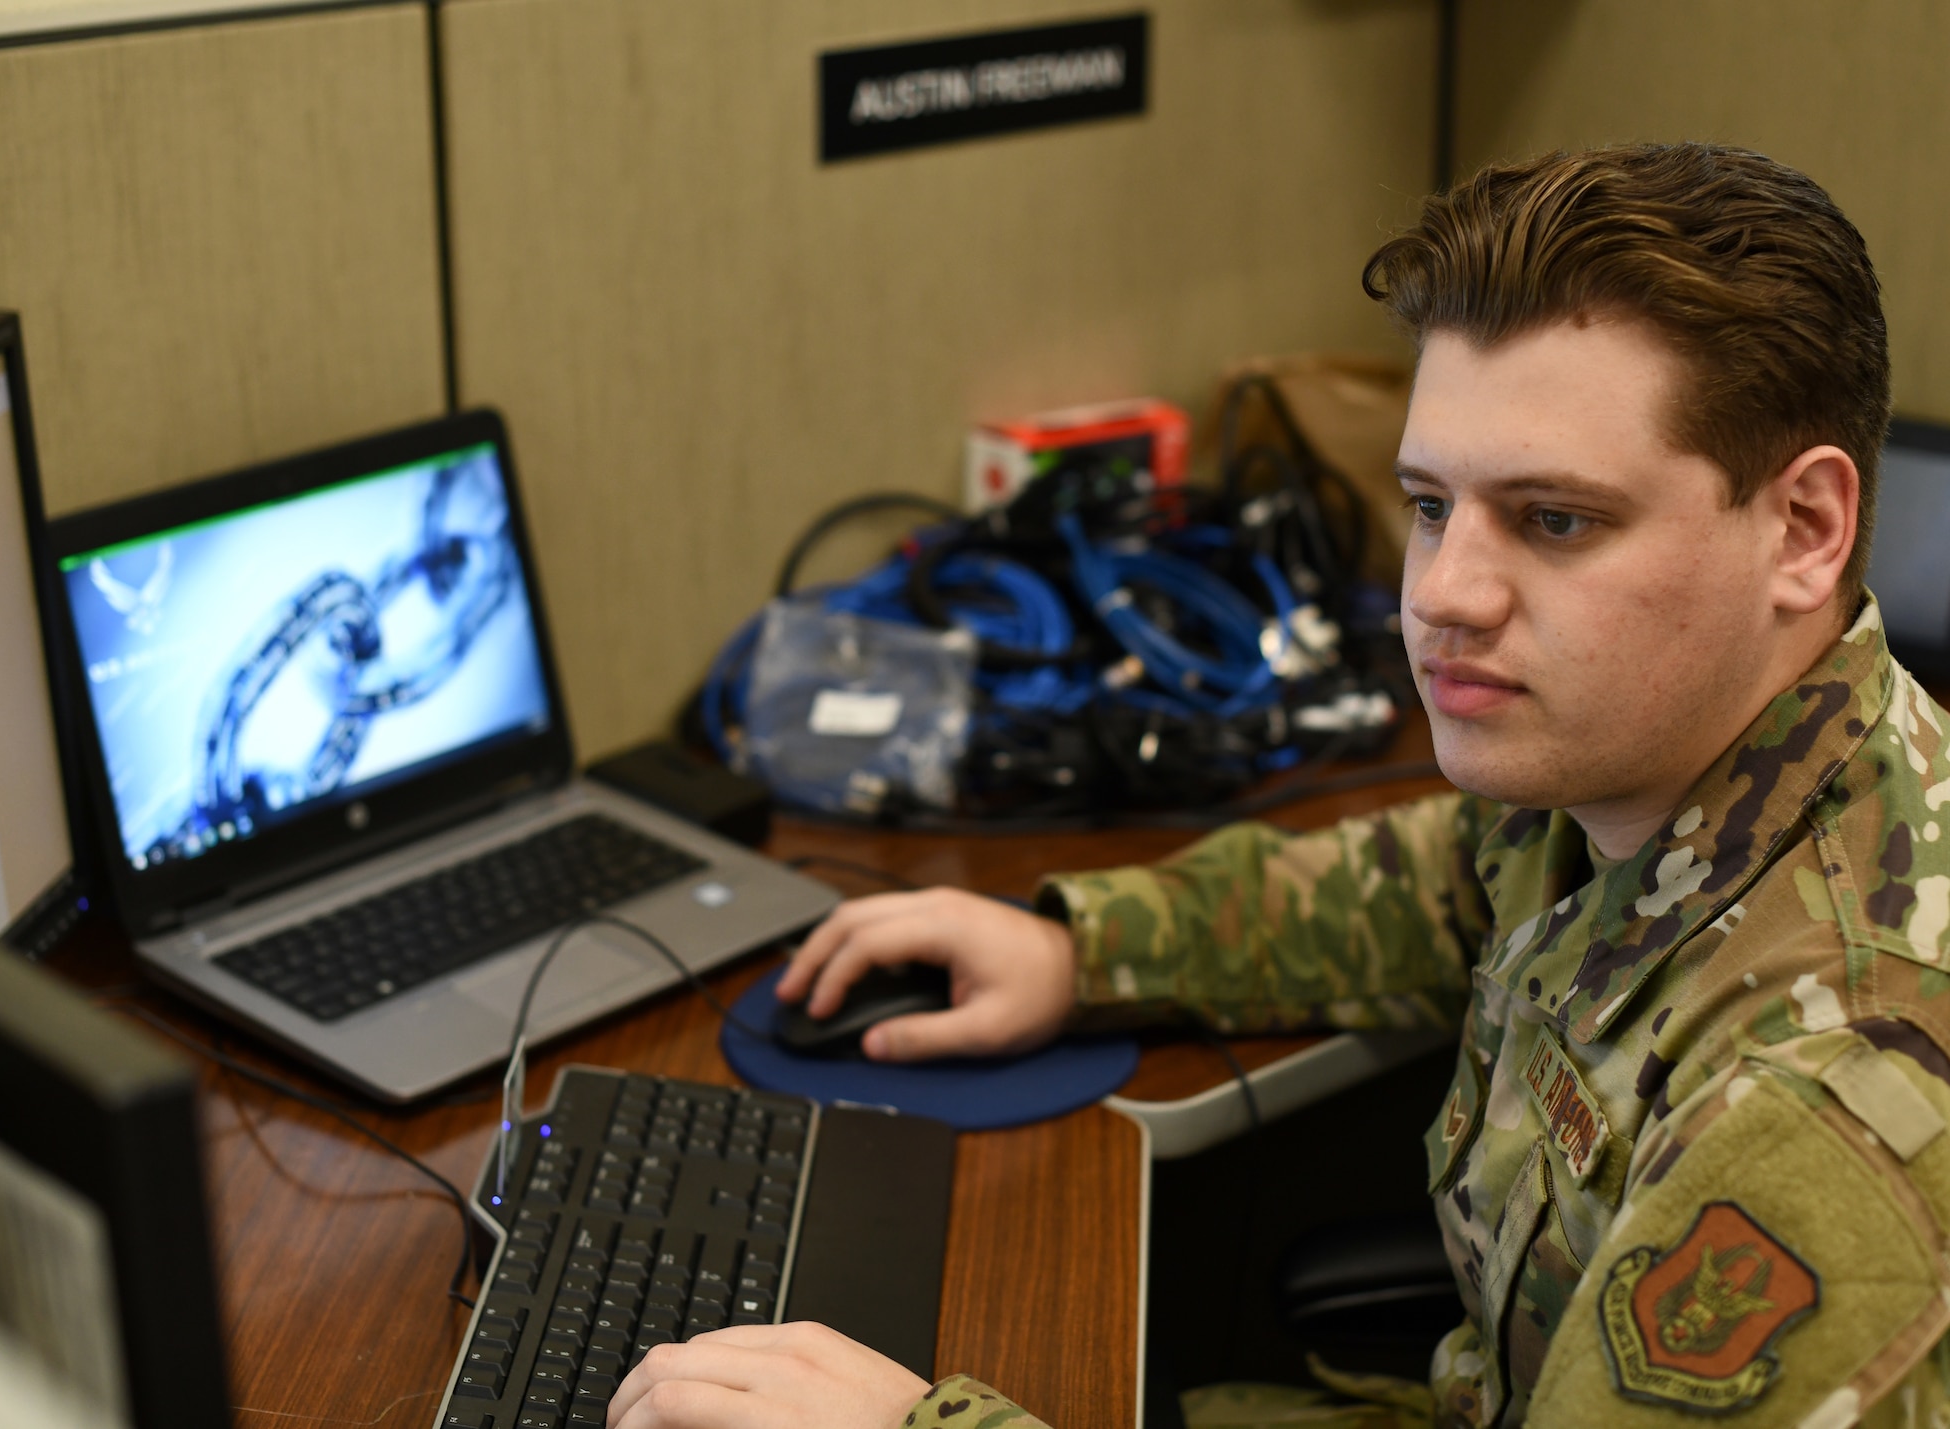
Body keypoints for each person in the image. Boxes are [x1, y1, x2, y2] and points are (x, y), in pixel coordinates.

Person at [606, 142, 1950, 1429]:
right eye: (1431, 506)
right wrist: (1079, 948)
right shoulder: (1655, 762)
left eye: (1556, 519)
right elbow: (1441, 875)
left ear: (1803, 527)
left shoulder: (1822, 1113)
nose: (1443, 597)